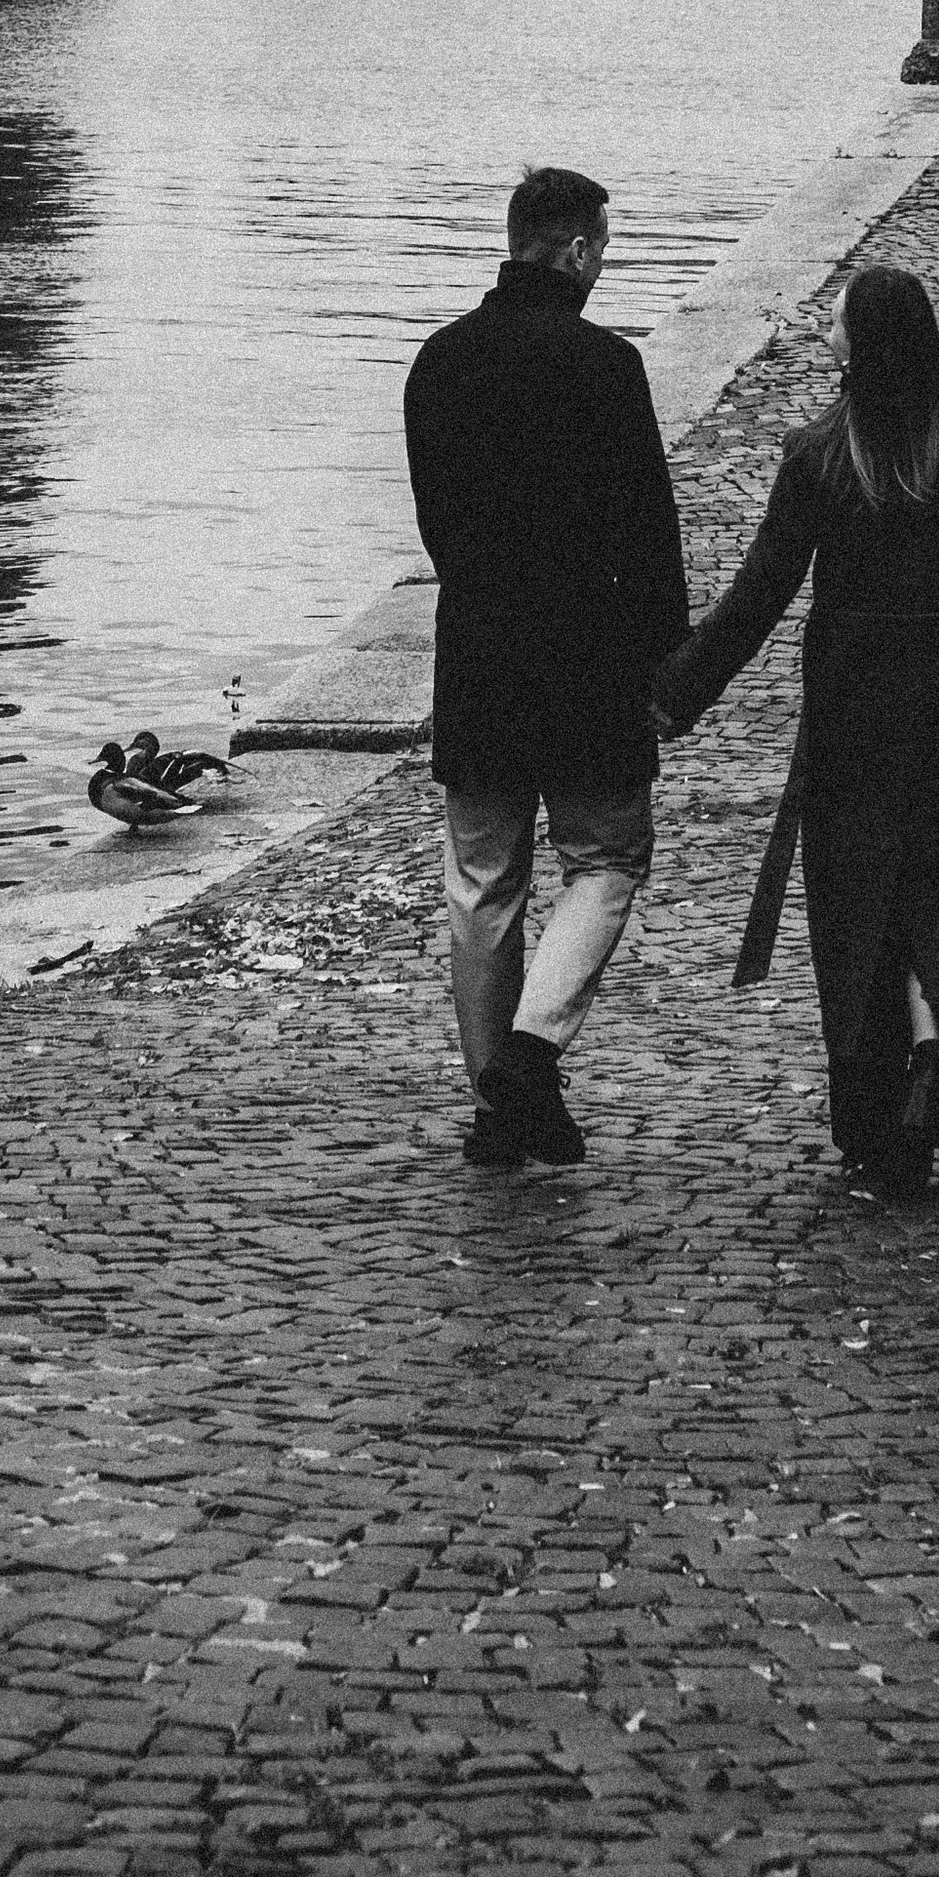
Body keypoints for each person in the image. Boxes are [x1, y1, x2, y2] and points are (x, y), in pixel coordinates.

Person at [650, 266, 939, 1196]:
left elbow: (759, 595)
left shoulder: (821, 457)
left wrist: (677, 694)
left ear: (866, 343)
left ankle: (875, 1125)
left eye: (837, 325)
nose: (825, 337)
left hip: (853, 720)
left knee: (863, 921)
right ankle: (935, 1061)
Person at [404, 165, 689, 1170]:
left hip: (478, 653)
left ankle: (499, 1107)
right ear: (573, 249)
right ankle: (529, 1057)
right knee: (605, 861)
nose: (601, 264)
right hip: (587, 659)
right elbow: (648, 536)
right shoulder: (604, 366)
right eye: (601, 248)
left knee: (482, 882)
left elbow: (438, 527)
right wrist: (668, 666)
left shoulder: (436, 364)